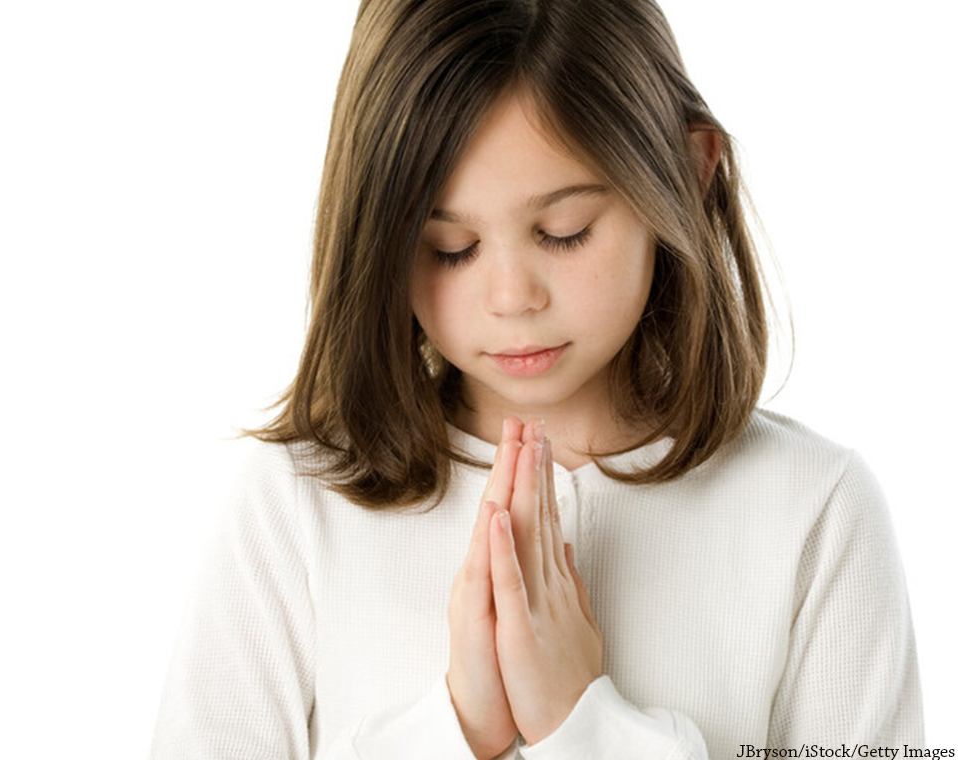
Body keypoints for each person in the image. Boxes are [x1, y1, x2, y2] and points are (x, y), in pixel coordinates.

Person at [149, 0, 923, 757]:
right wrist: (457, 732)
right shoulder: (294, 508)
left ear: (688, 174)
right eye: (450, 248)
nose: (512, 297)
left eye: (563, 232)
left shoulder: (815, 510)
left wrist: (584, 731)